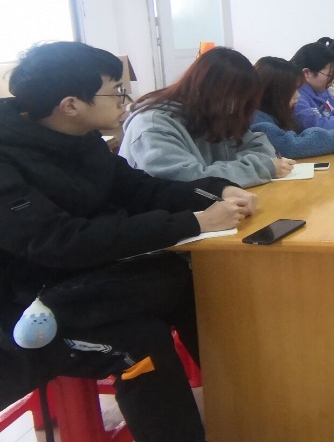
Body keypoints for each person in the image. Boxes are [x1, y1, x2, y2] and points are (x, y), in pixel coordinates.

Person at [0, 41, 254, 442]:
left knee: (196, 285)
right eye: (116, 92)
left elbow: (139, 189)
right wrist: (192, 222)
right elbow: (58, 241)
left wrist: (216, 190)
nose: (126, 100)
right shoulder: (7, 157)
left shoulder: (81, 138)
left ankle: (254, 405)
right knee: (140, 341)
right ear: (71, 105)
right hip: (18, 308)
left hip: (89, 283)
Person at [120, 47, 294, 188]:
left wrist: (241, 169)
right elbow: (188, 180)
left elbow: (261, 148)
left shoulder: (217, 112)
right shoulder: (152, 125)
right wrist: (259, 168)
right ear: (212, 92)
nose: (238, 107)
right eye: (237, 98)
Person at [250, 57, 334, 159]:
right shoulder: (257, 121)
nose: (298, 95)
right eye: (293, 90)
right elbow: (290, 146)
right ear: (275, 92)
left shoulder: (276, 115)